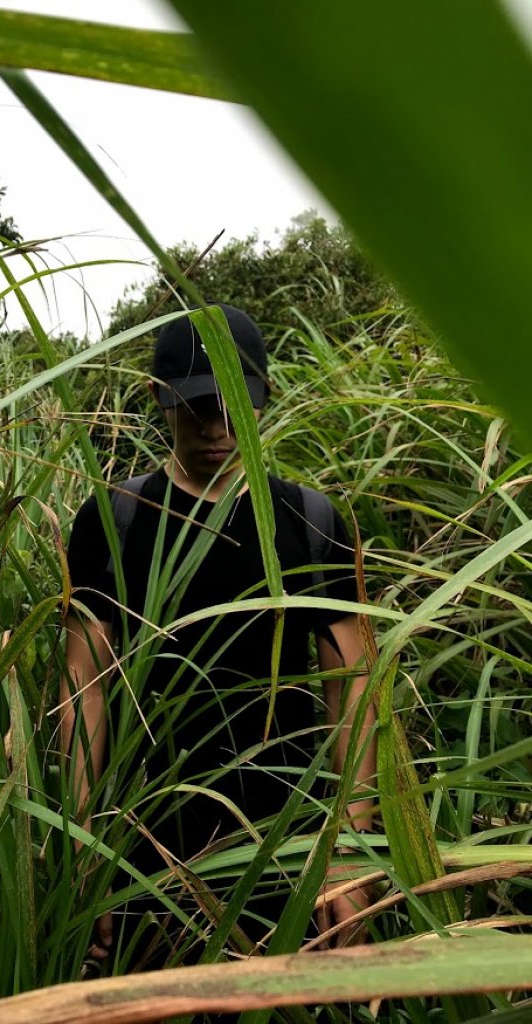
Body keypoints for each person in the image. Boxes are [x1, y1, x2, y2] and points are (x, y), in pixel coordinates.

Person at [60, 303, 376, 971]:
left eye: (234, 405)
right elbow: (83, 687)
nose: (215, 428)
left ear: (265, 398)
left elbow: (353, 687)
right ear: (157, 399)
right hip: (145, 842)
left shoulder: (309, 520)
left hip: (285, 841)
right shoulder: (115, 518)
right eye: (195, 407)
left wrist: (348, 851)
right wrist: (80, 844)